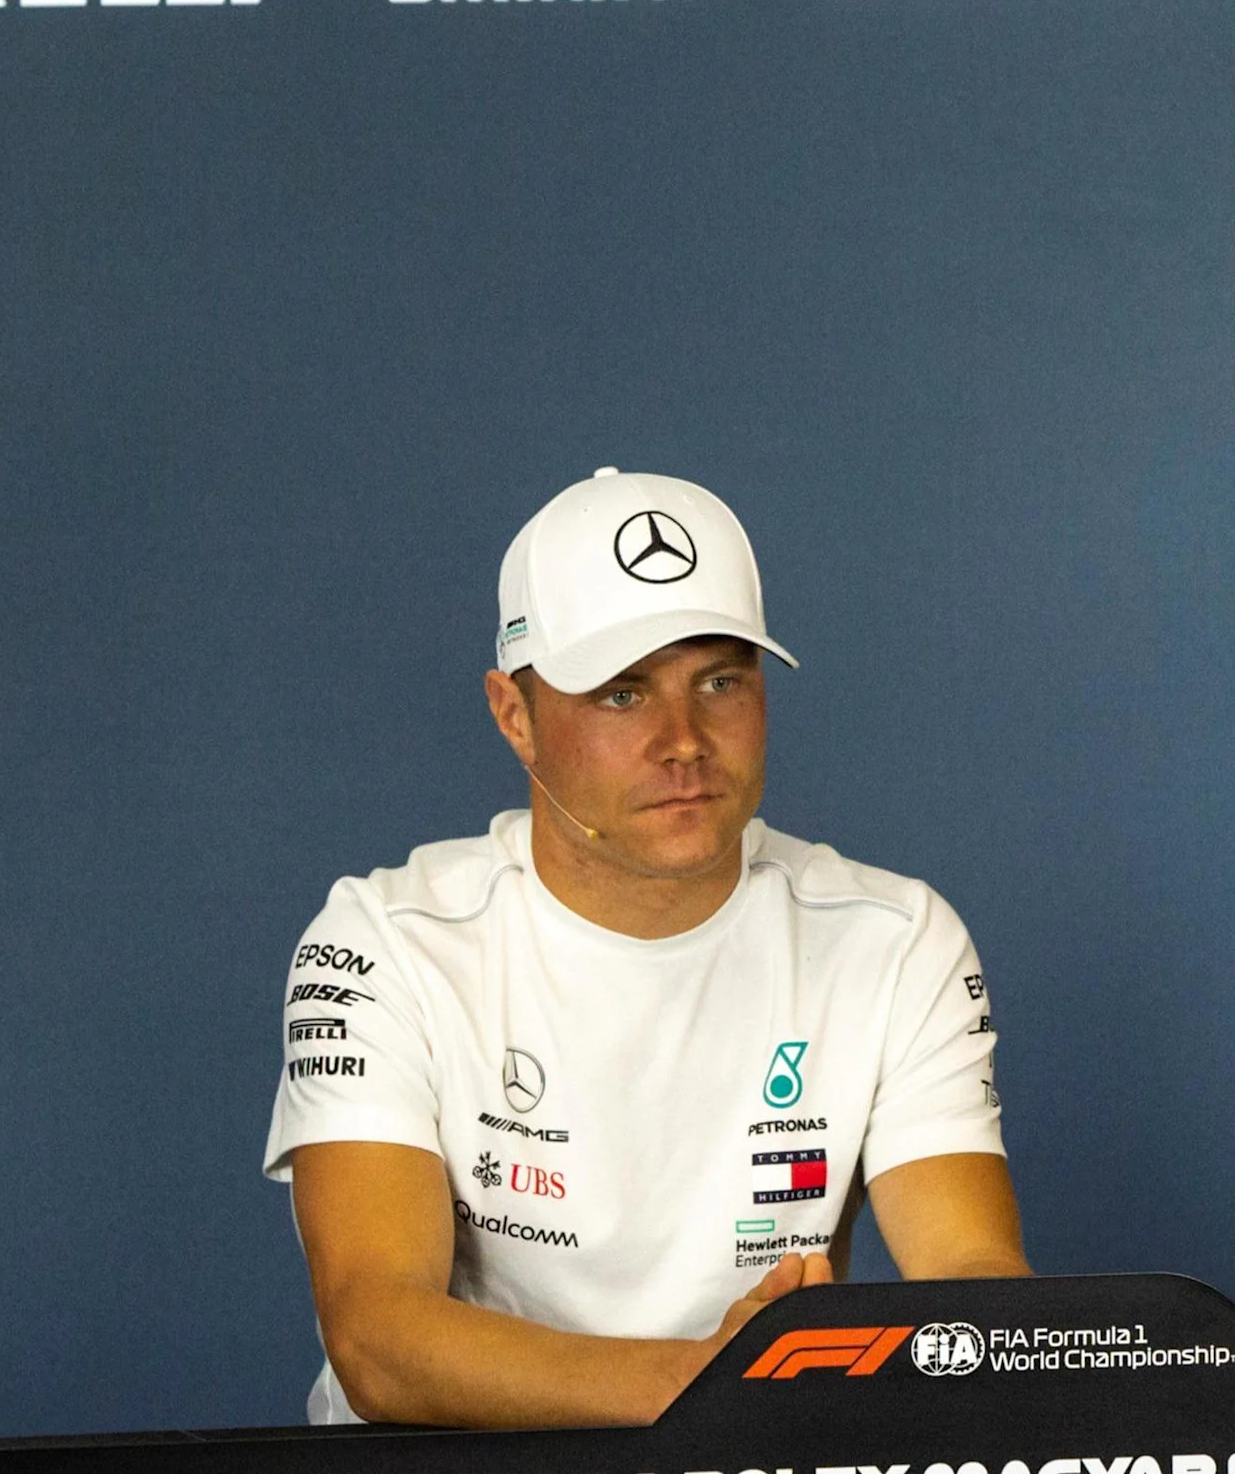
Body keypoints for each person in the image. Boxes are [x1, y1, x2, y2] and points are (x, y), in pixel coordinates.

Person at [265, 468, 1029, 1427]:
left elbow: (974, 1290)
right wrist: (715, 1384)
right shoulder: (387, 944)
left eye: (720, 682)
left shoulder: (897, 940)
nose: (684, 741)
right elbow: (378, 1340)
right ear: (514, 716)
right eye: (622, 694)